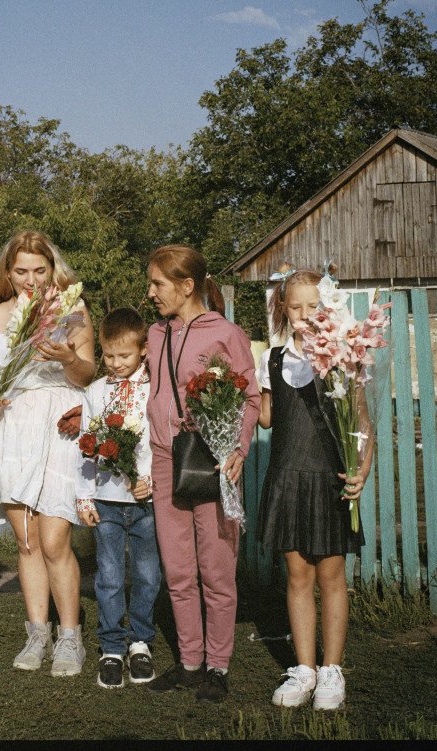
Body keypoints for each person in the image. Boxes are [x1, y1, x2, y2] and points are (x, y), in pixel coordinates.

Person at [0, 230, 96, 677]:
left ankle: (70, 637)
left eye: (39, 270)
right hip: (12, 427)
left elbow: (87, 374)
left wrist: (67, 359)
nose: (30, 279)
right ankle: (37, 632)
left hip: (59, 426)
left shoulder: (72, 311)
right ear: (8, 271)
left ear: (52, 269)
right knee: (26, 540)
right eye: (21, 271)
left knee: (55, 539)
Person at [143, 245, 260, 703]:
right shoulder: (155, 334)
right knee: (178, 570)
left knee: (216, 570)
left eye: (158, 284)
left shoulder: (226, 334)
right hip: (164, 459)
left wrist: (239, 450)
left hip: (212, 460)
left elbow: (250, 397)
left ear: (186, 286)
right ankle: (189, 663)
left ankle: (218, 665)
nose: (151, 292)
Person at [257, 265, 374, 711]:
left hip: (329, 480)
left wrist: (362, 468)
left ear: (327, 309)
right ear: (283, 308)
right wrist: (227, 391)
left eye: (314, 306)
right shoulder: (272, 358)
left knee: (331, 576)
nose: (306, 315)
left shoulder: (344, 355)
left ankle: (331, 670)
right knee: (298, 576)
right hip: (287, 478)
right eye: (297, 306)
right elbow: (267, 416)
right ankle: (304, 669)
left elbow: (362, 423)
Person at [75, 307, 161, 690]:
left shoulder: (155, 390)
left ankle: (140, 641)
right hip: (107, 501)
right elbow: (85, 449)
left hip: (147, 503)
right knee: (108, 577)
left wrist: (150, 479)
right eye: (108, 355)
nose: (115, 363)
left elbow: (162, 443)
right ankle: (111, 647)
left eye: (124, 356)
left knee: (147, 575)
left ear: (143, 349)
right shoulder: (95, 392)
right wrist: (84, 498)